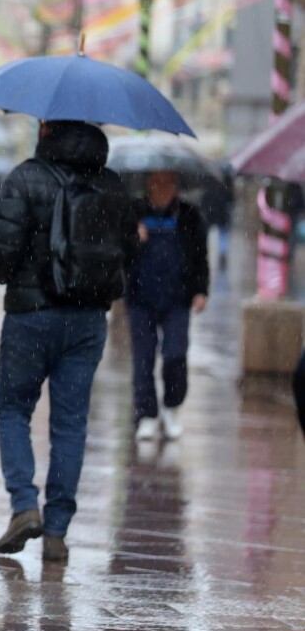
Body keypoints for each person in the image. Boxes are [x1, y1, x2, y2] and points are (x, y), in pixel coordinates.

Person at [0, 120, 137, 565]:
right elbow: (129, 251)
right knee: (70, 423)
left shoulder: (25, 177)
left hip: (30, 318)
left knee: (13, 408)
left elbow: (0, 258)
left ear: (46, 127)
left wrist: (23, 273)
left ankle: (23, 505)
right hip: (88, 320)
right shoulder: (112, 184)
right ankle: (56, 531)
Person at [125, 171, 209, 442]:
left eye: (168, 183)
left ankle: (171, 407)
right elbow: (115, 250)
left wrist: (200, 291)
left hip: (177, 298)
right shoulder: (133, 212)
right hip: (141, 297)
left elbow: (199, 256)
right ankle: (147, 414)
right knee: (143, 358)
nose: (162, 188)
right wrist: (132, 237)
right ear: (148, 184)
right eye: (157, 182)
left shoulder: (189, 215)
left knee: (175, 354)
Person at [198, 163, 234, 271]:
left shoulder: (209, 186)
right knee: (222, 236)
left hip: (212, 216)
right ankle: (221, 253)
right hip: (220, 216)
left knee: (214, 235)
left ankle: (206, 251)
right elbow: (230, 201)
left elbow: (203, 201)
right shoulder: (226, 187)